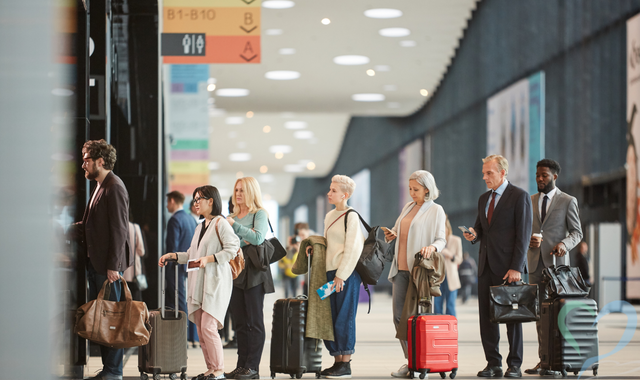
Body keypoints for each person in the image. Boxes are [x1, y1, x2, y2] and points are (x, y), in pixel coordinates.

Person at [158, 185, 239, 380]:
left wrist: (209, 259)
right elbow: (193, 254)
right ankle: (211, 368)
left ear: (210, 201)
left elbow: (232, 248)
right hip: (200, 283)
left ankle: (219, 370)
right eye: (194, 200)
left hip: (215, 282)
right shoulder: (200, 225)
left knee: (209, 327)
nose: (195, 204)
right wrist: (174, 256)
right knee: (202, 330)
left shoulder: (221, 223)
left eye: (198, 199)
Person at [463, 154, 532, 379]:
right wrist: (473, 235)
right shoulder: (483, 199)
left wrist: (516, 267)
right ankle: (493, 364)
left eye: (489, 173)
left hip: (508, 269)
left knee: (512, 319)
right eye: (483, 173)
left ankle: (515, 365)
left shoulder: (519, 196)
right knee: (487, 318)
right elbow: (481, 229)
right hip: (485, 266)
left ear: (503, 173)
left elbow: (523, 236)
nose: (485, 177)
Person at [383, 170, 447, 379]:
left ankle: (423, 363)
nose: (412, 193)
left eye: (416, 189)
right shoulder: (408, 207)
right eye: (410, 189)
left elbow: (441, 239)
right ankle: (412, 362)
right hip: (400, 269)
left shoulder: (436, 210)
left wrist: (432, 247)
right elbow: (399, 229)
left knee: (420, 318)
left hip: (420, 272)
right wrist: (392, 234)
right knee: (399, 318)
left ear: (427, 189)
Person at [77, 139, 132, 380]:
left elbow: (120, 230)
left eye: (87, 159)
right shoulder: (100, 186)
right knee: (103, 317)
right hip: (97, 264)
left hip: (106, 268)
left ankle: (114, 371)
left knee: (110, 318)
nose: (83, 165)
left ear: (101, 161)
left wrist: (113, 267)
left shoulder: (114, 186)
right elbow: (91, 226)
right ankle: (109, 369)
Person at [524, 159, 583, 376]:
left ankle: (561, 361)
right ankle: (545, 360)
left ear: (554, 177)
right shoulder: (528, 201)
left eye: (544, 176)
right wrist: (528, 240)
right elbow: (522, 231)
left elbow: (577, 233)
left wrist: (563, 245)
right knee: (540, 316)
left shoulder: (568, 201)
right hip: (534, 265)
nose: (539, 179)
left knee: (559, 315)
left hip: (557, 269)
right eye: (538, 175)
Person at [307, 175, 365, 379]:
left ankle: (345, 363)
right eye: (330, 189)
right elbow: (328, 243)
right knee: (330, 318)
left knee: (344, 317)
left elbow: (353, 248)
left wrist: (341, 275)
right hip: (330, 274)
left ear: (345, 195)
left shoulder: (352, 216)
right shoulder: (330, 216)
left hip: (345, 275)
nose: (329, 193)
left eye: (333, 190)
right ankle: (337, 361)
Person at [225, 177, 274, 380]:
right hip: (235, 272)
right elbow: (229, 244)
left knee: (254, 321)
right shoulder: (232, 215)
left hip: (254, 273)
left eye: (242, 190)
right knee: (239, 322)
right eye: (236, 190)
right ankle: (241, 365)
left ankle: (252, 367)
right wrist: (243, 237)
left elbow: (257, 238)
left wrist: (236, 228)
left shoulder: (259, 213)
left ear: (251, 192)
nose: (238, 194)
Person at [165, 191, 198, 330]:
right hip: (188, 266)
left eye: (167, 202)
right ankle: (188, 334)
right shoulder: (190, 219)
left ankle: (179, 333)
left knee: (176, 300)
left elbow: (173, 247)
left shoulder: (175, 219)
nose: (166, 206)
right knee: (186, 299)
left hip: (176, 267)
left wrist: (167, 266)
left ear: (172, 200)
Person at [434, 216, 463, 317]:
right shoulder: (435, 242)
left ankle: (451, 328)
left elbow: (459, 259)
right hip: (438, 277)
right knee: (437, 305)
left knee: (450, 305)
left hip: (451, 277)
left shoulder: (456, 240)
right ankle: (438, 327)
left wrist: (449, 254)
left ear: (448, 228)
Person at [281, 223, 311, 298]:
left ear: (308, 231)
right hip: (305, 280)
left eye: (303, 235)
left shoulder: (313, 242)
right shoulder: (299, 244)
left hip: (313, 281)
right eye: (299, 235)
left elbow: (309, 263)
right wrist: (290, 247)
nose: (301, 238)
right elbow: (286, 258)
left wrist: (300, 250)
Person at [122, 218, 146, 301]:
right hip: (134, 273)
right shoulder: (135, 227)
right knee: (135, 301)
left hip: (121, 272)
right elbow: (141, 251)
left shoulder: (118, 227)